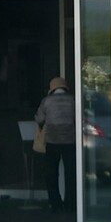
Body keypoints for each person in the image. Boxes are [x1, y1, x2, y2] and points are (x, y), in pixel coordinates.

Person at [35, 76, 76, 213]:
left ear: (52, 88)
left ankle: (55, 203)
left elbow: (39, 119)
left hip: (52, 141)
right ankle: (70, 203)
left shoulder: (46, 101)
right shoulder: (72, 100)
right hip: (70, 141)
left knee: (51, 174)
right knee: (70, 173)